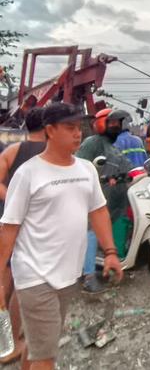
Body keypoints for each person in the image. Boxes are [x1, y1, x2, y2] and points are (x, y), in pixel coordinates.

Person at [0, 102, 123, 370]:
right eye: (70, 128)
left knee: (37, 345)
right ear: (50, 131)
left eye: (79, 128)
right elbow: (9, 227)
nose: (78, 134)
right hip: (35, 275)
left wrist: (111, 252)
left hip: (67, 274)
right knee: (47, 357)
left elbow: (99, 211)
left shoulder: (86, 169)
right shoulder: (29, 173)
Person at [0, 107, 46, 364]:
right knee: (23, 281)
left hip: (8, 221)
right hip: (34, 228)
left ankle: (4, 339)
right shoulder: (53, 156)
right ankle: (14, 344)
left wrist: (12, 200)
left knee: (6, 276)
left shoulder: (12, 151)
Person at [76, 109, 133, 294]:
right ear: (101, 124)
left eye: (118, 123)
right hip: (93, 200)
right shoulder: (92, 143)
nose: (116, 126)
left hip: (111, 199)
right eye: (112, 123)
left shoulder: (113, 147)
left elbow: (126, 166)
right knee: (91, 231)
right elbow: (81, 166)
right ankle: (89, 276)